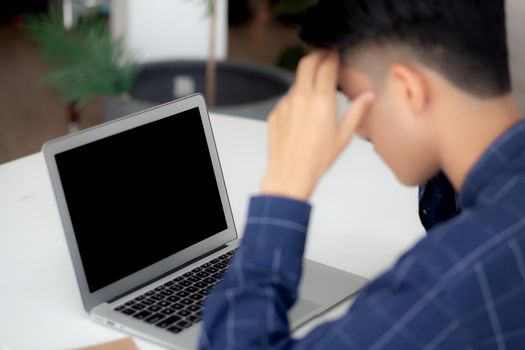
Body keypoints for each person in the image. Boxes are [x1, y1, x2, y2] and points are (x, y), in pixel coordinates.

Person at [199, 0, 525, 348]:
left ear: (407, 90)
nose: (359, 131)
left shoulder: (450, 283)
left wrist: (285, 183)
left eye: (352, 98)